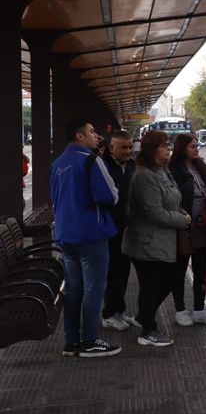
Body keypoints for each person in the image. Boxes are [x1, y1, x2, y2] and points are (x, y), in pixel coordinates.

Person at [50, 119, 121, 358]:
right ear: (80, 136)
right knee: (94, 288)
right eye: (92, 131)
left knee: (74, 289)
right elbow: (111, 196)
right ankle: (90, 340)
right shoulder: (92, 160)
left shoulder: (57, 163)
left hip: (65, 235)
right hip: (91, 233)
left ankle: (71, 342)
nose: (96, 135)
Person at [123, 130, 191, 347]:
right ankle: (148, 330)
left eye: (168, 144)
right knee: (151, 285)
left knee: (170, 280)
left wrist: (181, 212)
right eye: (164, 145)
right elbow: (154, 212)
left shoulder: (163, 170)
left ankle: (144, 316)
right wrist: (182, 220)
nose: (168, 149)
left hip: (164, 241)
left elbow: (172, 200)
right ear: (152, 149)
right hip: (148, 242)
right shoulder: (144, 175)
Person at [169, 133, 206, 327]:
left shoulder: (202, 167)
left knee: (201, 268)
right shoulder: (174, 170)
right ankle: (180, 309)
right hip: (185, 225)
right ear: (182, 148)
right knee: (179, 269)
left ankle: (199, 310)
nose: (196, 148)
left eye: (197, 145)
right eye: (192, 146)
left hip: (204, 225)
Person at [100, 130, 139, 331]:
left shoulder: (132, 166)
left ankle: (118, 311)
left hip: (128, 227)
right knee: (113, 271)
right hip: (109, 227)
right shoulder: (102, 165)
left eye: (130, 147)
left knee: (123, 271)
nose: (128, 151)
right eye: (123, 147)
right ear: (111, 147)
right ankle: (109, 313)